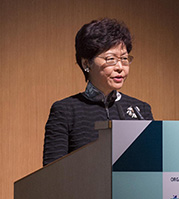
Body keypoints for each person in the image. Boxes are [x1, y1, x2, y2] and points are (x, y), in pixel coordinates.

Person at [43, 17, 153, 165]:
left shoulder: (141, 110)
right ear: (87, 63)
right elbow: (52, 172)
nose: (120, 67)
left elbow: (151, 165)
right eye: (111, 59)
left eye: (124, 58)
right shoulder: (66, 110)